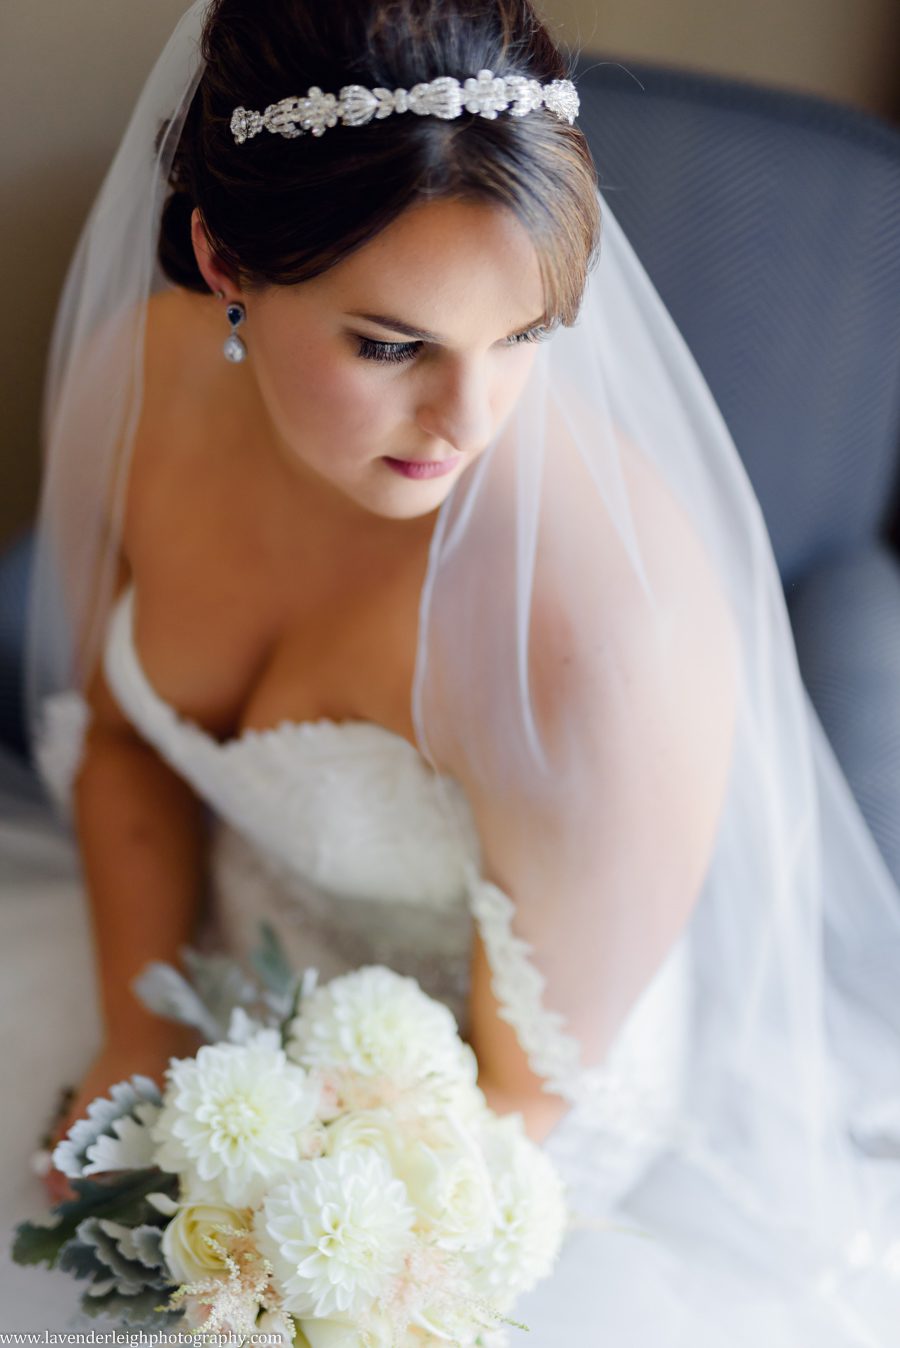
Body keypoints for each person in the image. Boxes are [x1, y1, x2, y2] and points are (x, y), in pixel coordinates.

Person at [2, 0, 899, 1339]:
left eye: (525, 337)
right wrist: (142, 1037)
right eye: (391, 344)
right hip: (193, 942)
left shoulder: (593, 633)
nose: (470, 424)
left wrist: (292, 1239)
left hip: (495, 1112)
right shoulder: (127, 390)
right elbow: (126, 743)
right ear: (222, 256)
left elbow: (518, 1116)